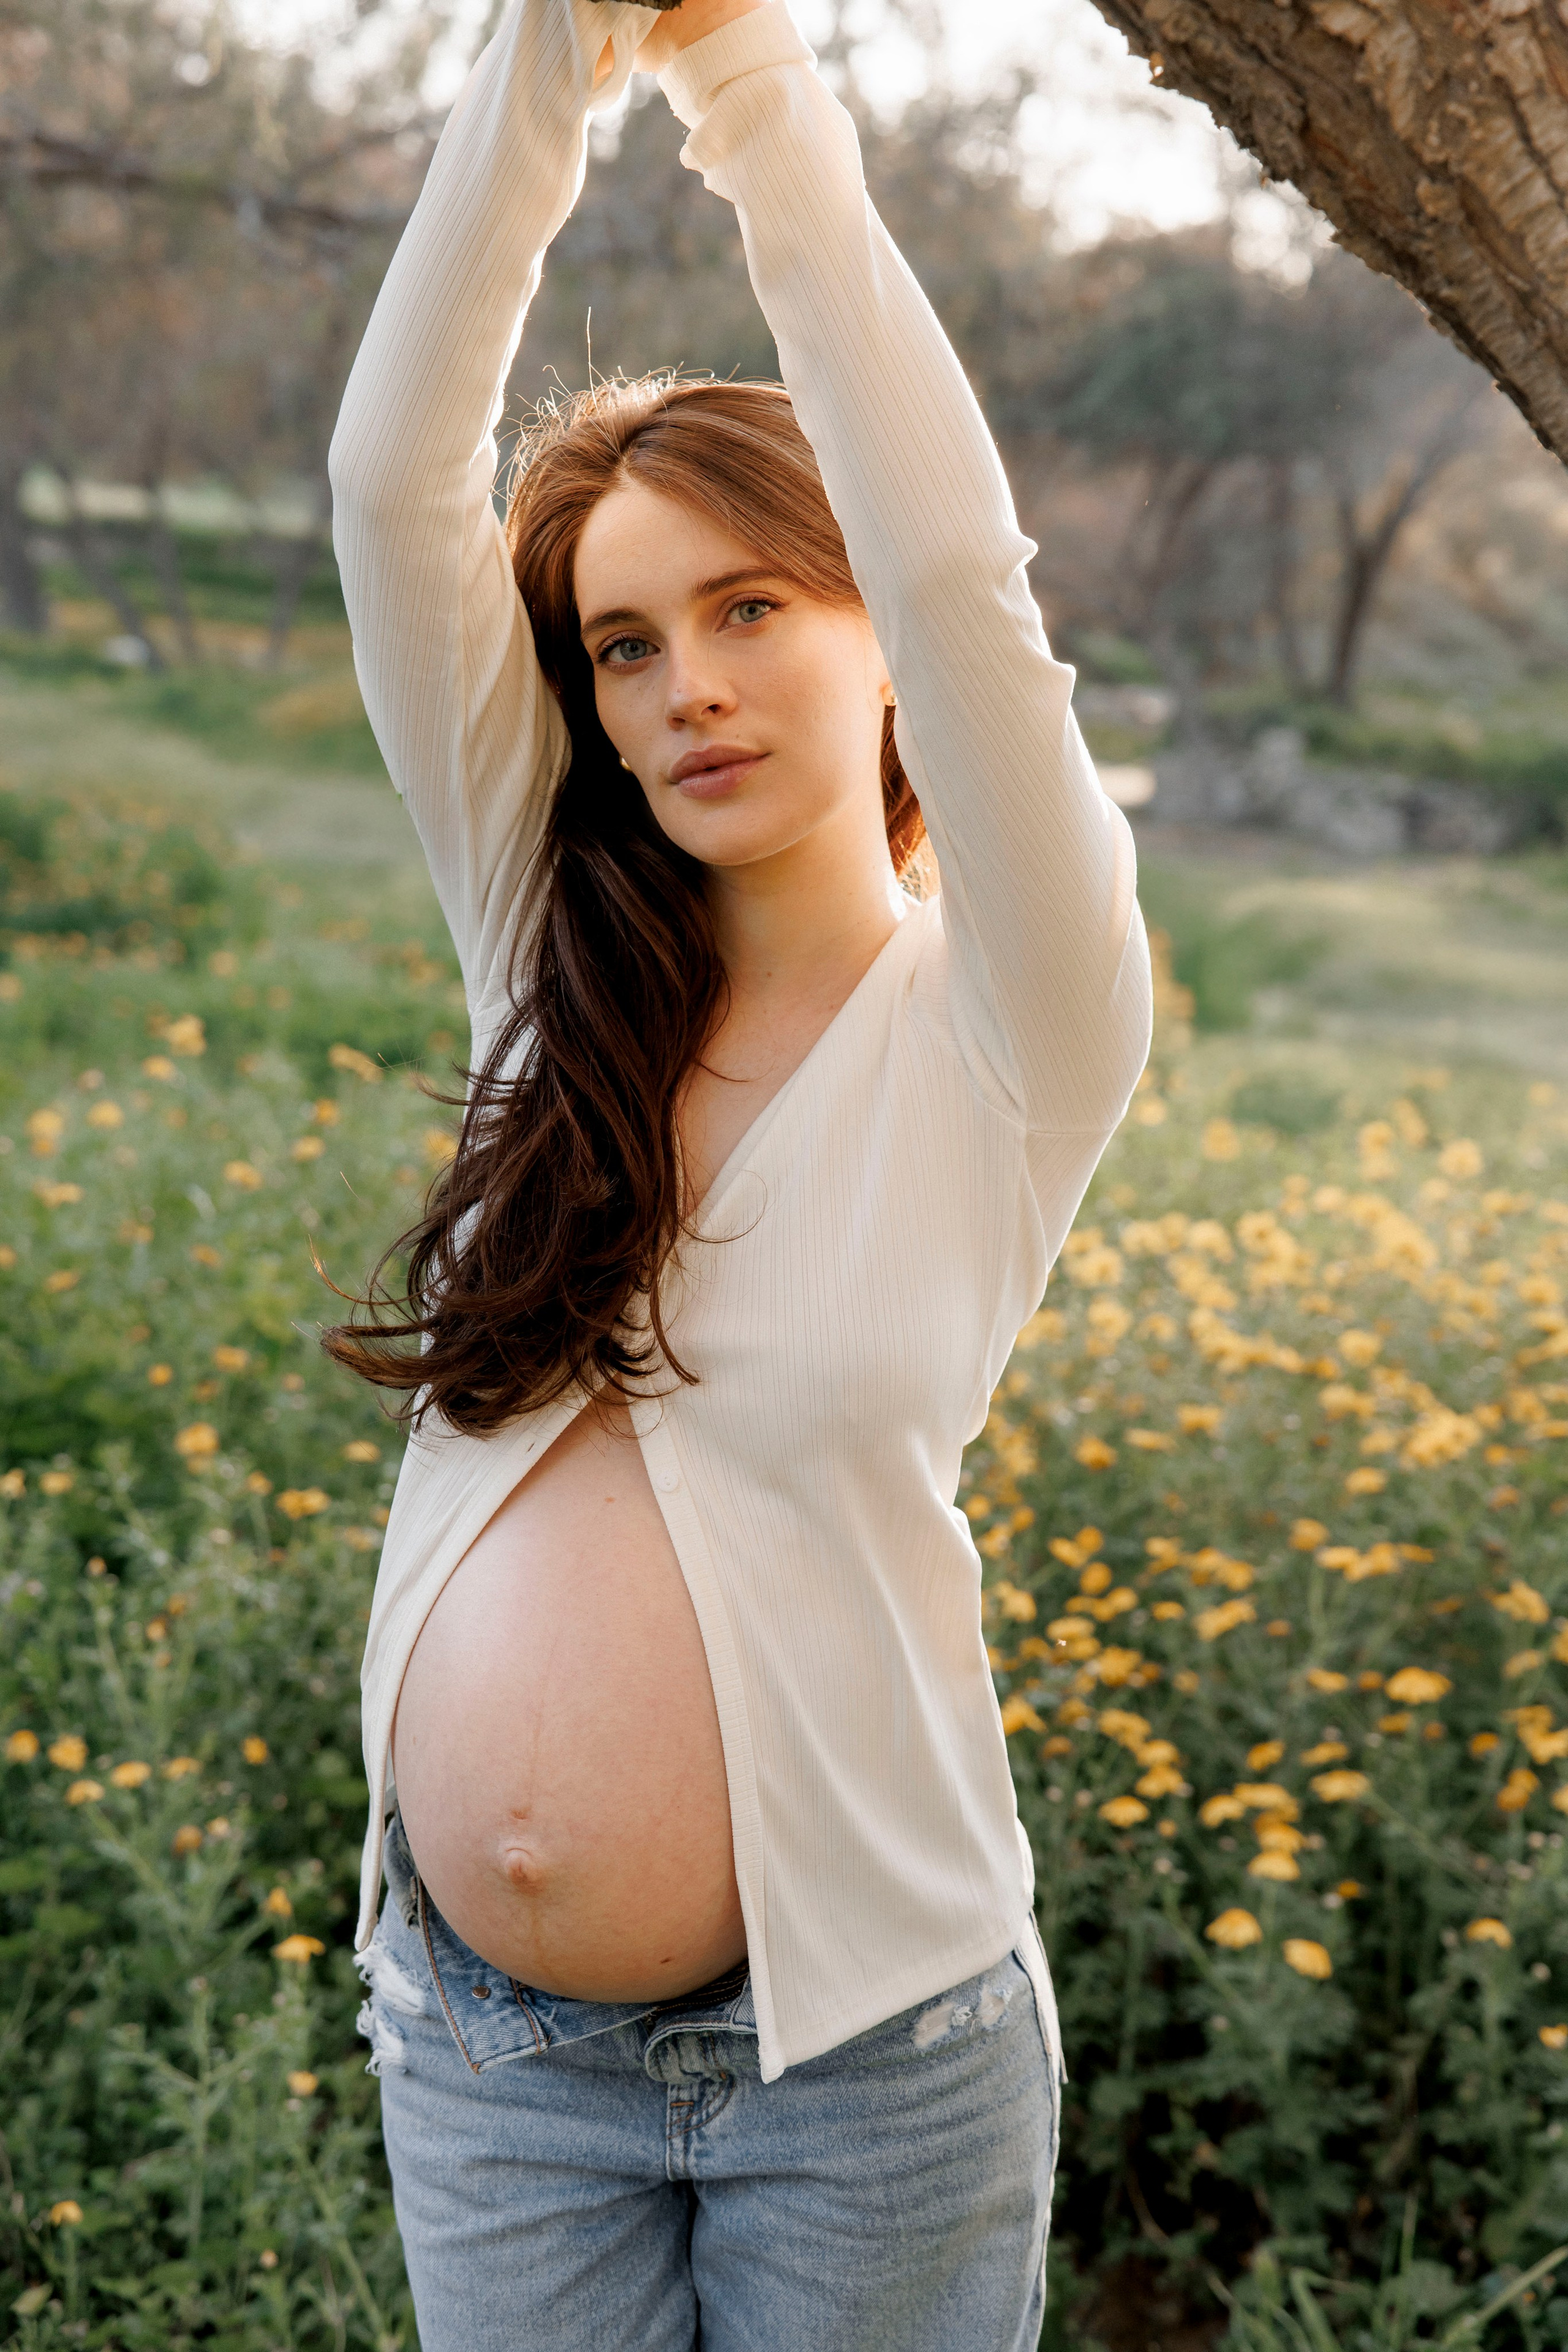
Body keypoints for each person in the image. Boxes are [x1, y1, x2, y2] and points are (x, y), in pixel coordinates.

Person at [326, 0, 1153, 2342]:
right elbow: (394, 496)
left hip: (869, 2075)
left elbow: (966, 567)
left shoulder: (1021, 1020)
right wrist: (553, 62)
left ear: (873, 632)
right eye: (622, 641)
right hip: (485, 2063)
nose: (684, 683)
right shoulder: (541, 945)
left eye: (755, 606)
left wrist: (756, 95)